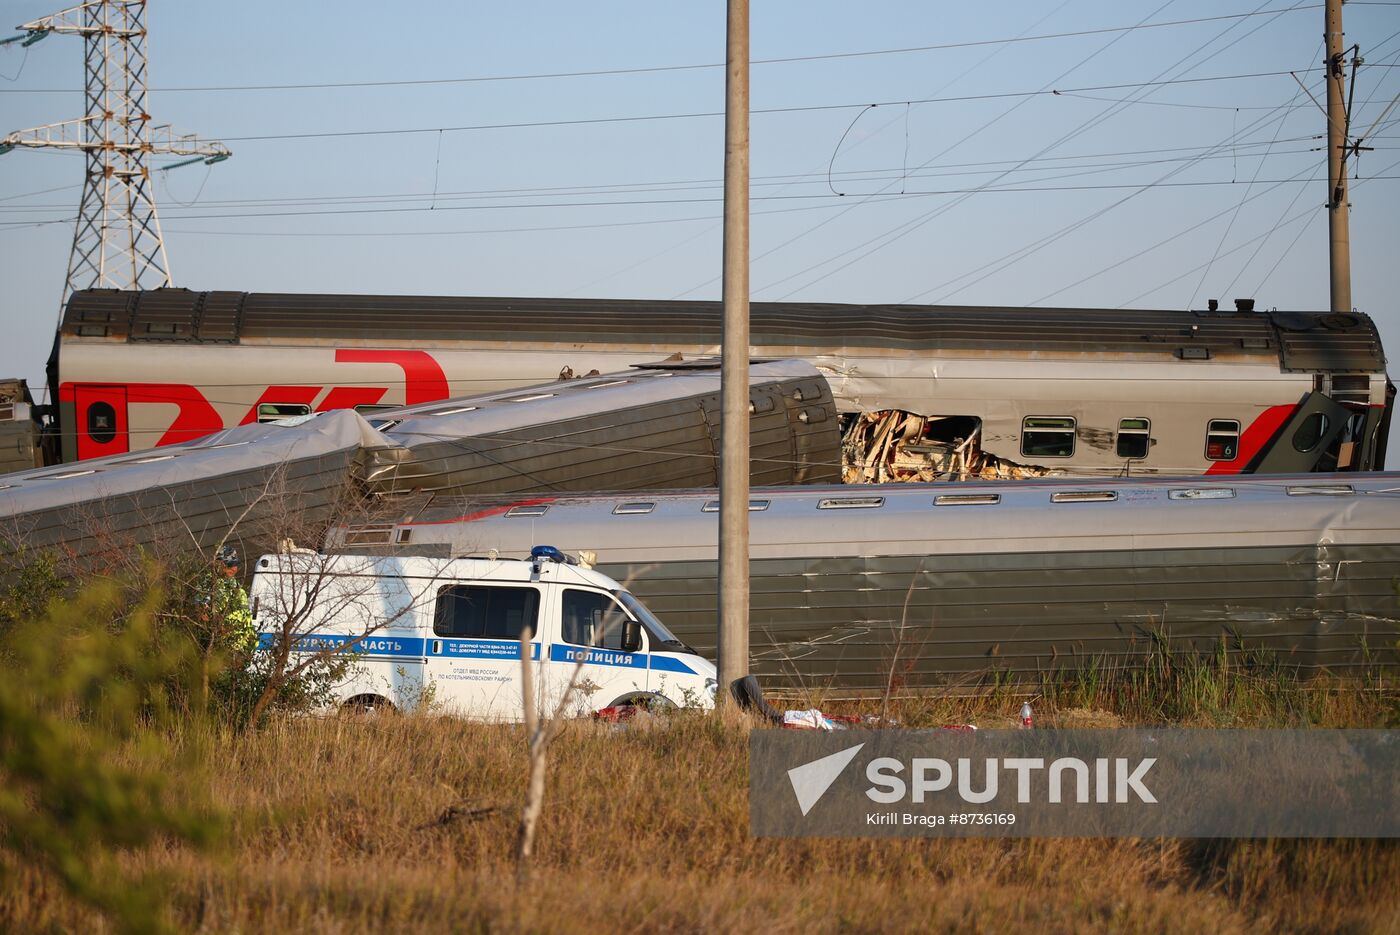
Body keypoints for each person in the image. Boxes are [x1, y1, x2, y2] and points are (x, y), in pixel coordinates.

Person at [210, 546, 255, 655]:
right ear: (219, 565)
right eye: (230, 565)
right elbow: (204, 615)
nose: (234, 568)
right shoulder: (211, 585)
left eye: (236, 564)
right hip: (224, 648)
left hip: (242, 647)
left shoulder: (235, 585)